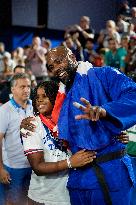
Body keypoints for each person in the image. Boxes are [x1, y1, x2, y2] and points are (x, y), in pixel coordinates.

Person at [21, 46, 136, 205]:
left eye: (59, 61)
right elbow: (46, 115)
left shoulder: (104, 74)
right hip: (78, 180)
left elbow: (133, 95)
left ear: (73, 57)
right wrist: (29, 120)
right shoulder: (61, 96)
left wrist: (106, 111)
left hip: (110, 174)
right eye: (51, 67)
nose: (55, 68)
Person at [22, 80, 96, 205]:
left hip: (70, 194)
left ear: (56, 98)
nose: (39, 100)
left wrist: (117, 136)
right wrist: (70, 162)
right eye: (37, 97)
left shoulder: (71, 121)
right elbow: (37, 167)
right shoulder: (31, 125)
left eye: (45, 96)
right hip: (42, 197)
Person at [0, 73, 33, 205]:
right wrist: (0, 168)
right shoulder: (4, 111)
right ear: (12, 89)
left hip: (34, 167)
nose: (26, 90)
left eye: (29, 86)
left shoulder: (34, 106)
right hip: (13, 168)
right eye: (22, 87)